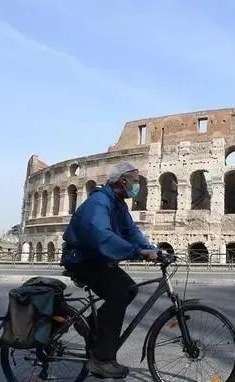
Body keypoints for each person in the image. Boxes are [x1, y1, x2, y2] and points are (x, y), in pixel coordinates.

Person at [61, 161, 158, 379]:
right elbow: (102, 236)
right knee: (119, 293)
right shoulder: (99, 202)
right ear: (122, 180)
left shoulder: (118, 204)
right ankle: (102, 359)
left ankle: (90, 327)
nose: (137, 186)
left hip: (97, 258)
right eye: (135, 181)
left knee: (129, 289)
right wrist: (137, 252)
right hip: (82, 259)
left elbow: (131, 231)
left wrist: (153, 250)